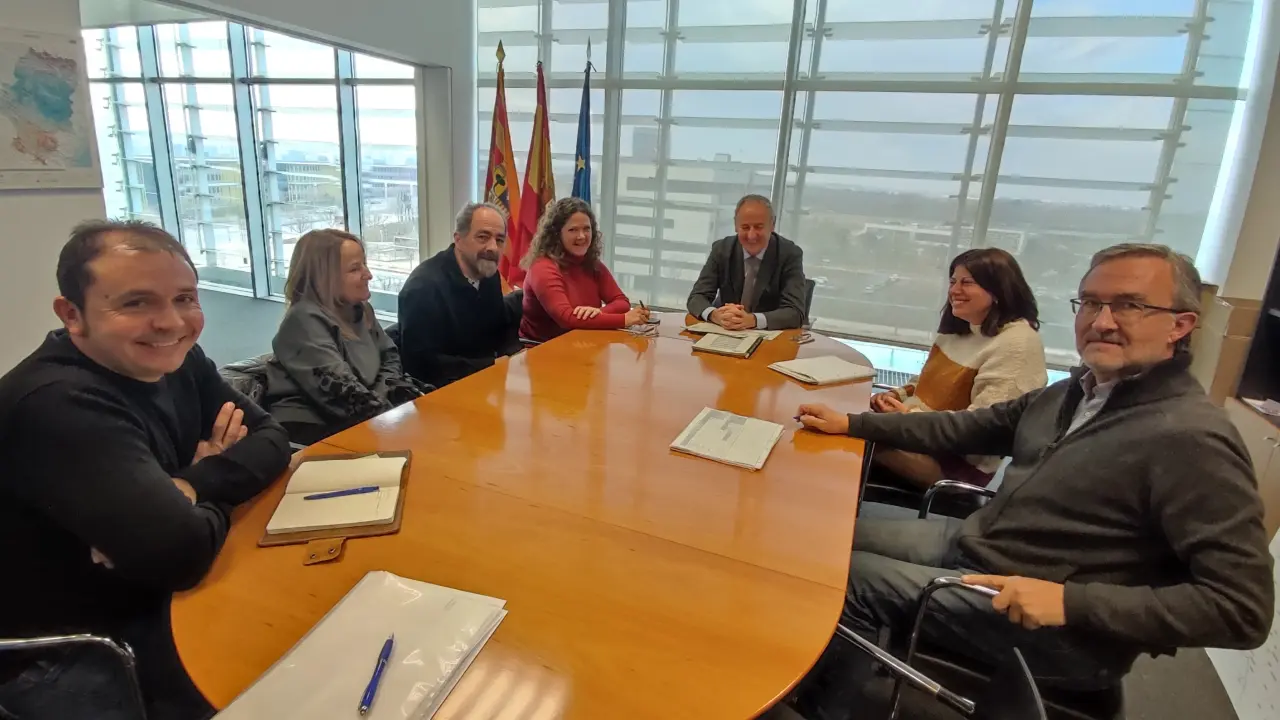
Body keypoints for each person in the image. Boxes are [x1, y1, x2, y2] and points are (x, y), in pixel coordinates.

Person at [793, 243, 1274, 719]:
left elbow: (1241, 609)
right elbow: (965, 426)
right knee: (816, 539)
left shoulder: (1190, 437)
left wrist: (1070, 601)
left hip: (1046, 622)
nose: (1102, 321)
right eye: (1091, 302)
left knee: (836, 581)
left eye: (1130, 305)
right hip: (981, 544)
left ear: (1180, 325)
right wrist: (853, 423)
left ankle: (820, 707)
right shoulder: (1077, 391)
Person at [0, 220, 292, 720]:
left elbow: (272, 438)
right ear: (72, 314)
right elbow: (178, 553)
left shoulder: (180, 360)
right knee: (266, 693)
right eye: (136, 302)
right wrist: (192, 501)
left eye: (185, 298)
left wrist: (191, 484)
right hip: (74, 646)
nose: (171, 323)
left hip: (152, 591)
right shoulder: (57, 403)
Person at [870, 248, 1047, 489]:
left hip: (954, 465)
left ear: (998, 290)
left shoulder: (1018, 345)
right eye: (953, 281)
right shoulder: (962, 328)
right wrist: (895, 396)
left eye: (967, 282)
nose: (954, 290)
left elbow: (983, 431)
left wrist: (907, 418)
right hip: (914, 433)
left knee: (850, 437)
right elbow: (926, 382)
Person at [265, 229, 424, 445]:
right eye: (355, 269)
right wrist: (398, 420)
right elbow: (344, 397)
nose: (368, 274)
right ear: (325, 279)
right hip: (312, 432)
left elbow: (390, 357)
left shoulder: (361, 309)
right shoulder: (303, 321)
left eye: (364, 264)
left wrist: (384, 396)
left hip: (366, 417)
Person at [398, 202, 522, 387]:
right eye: (483, 237)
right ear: (458, 239)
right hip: (440, 390)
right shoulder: (423, 288)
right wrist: (489, 365)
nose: (493, 248)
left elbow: (499, 329)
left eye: (499, 240)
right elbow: (420, 364)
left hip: (485, 382)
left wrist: (515, 354)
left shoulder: (489, 274)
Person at [519, 197, 649, 343]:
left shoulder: (591, 264)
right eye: (573, 230)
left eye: (586, 229)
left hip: (583, 343)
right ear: (557, 234)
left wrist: (598, 312)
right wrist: (624, 320)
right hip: (541, 349)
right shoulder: (543, 268)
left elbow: (622, 302)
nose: (581, 236)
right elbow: (566, 319)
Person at [686, 194, 807, 330]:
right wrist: (715, 315)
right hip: (725, 330)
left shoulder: (789, 254)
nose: (751, 235)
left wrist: (752, 320)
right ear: (736, 226)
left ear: (772, 225)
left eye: (758, 227)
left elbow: (795, 312)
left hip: (768, 336)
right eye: (745, 227)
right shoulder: (722, 249)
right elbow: (697, 297)